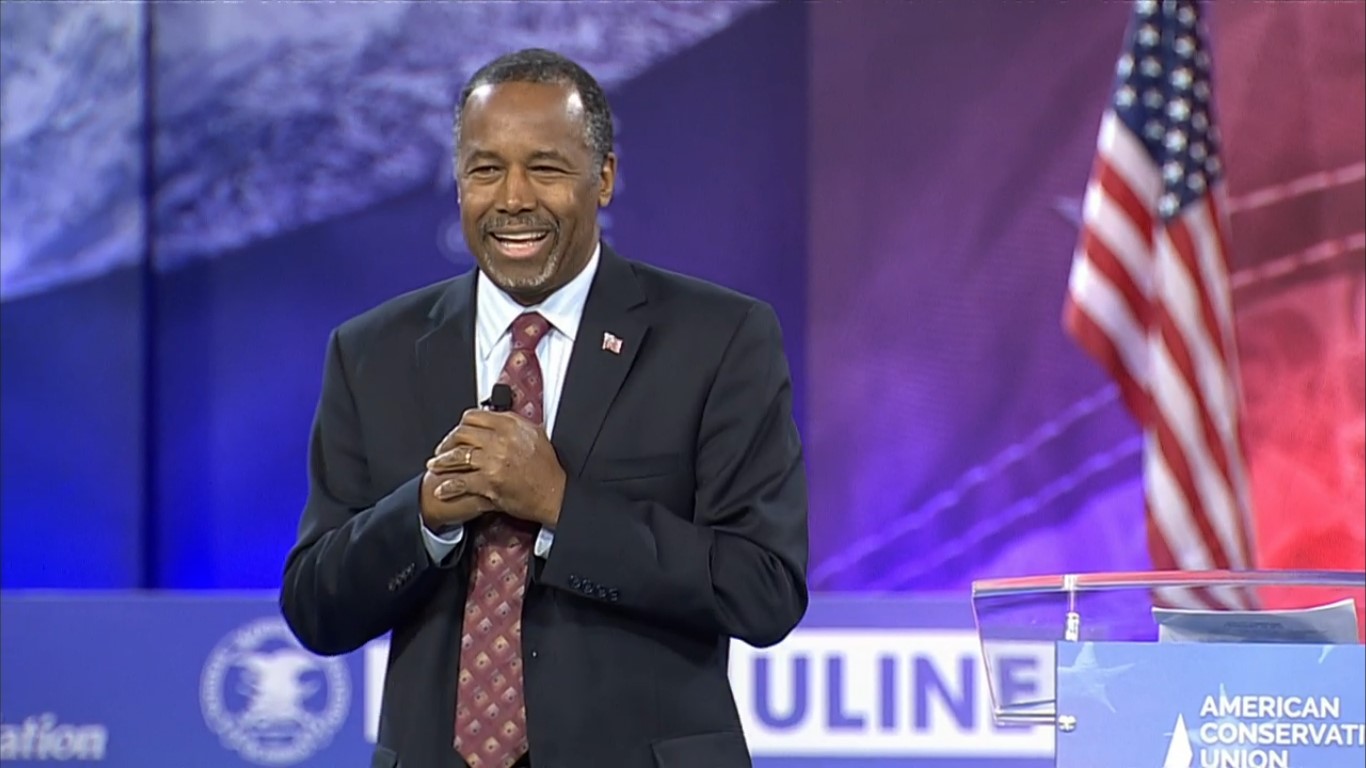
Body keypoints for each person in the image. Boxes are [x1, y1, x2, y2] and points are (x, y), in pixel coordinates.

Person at [279, 48, 809, 768]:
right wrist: (425, 516)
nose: (513, 198)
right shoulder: (371, 351)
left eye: (547, 167)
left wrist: (562, 506)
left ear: (605, 179)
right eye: (486, 168)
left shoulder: (717, 339)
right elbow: (315, 605)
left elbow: (764, 589)